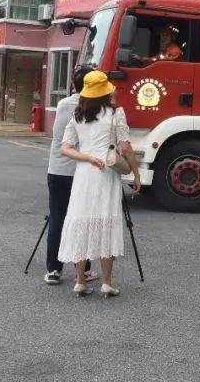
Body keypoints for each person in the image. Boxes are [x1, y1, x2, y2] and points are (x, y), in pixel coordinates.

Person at [58, 71, 141, 298]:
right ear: (106, 91)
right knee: (106, 222)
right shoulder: (116, 113)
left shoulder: (78, 115)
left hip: (84, 175)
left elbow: (65, 147)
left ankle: (80, 281)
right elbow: (125, 147)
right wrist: (136, 174)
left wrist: (87, 157)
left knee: (80, 221)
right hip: (106, 175)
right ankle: (106, 282)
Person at [43, 67, 94, 286]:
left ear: (73, 84)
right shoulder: (95, 109)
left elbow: (58, 136)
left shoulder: (63, 105)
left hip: (56, 170)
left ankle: (53, 270)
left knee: (57, 219)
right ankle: (82, 270)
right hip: (79, 173)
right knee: (80, 220)